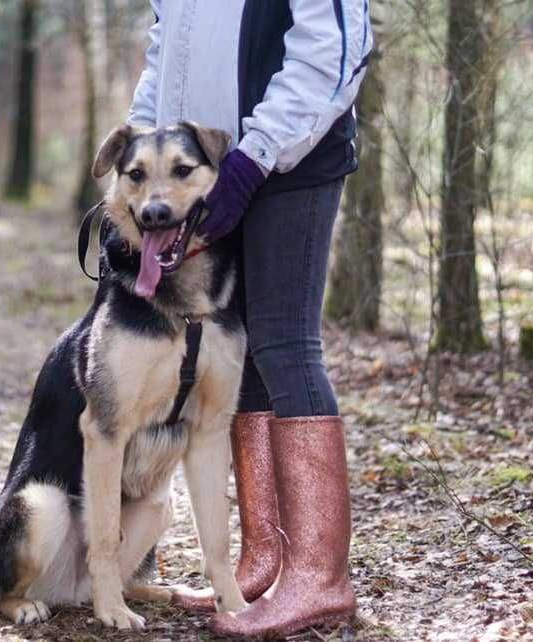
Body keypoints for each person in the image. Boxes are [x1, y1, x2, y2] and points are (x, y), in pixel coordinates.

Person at [126, 1, 373, 638]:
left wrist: (255, 155)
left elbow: (334, 51)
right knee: (247, 353)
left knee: (288, 347)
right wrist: (141, 166)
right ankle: (267, 559)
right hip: (207, 172)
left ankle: (320, 577)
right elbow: (166, 58)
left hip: (291, 159)